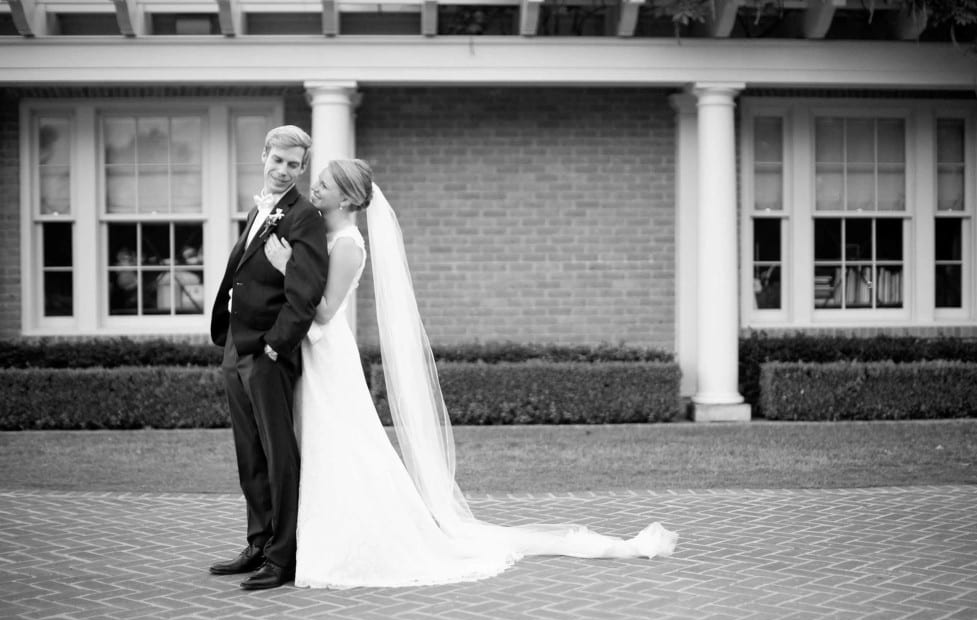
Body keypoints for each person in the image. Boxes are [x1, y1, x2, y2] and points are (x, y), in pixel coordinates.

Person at [263, 159, 677, 589]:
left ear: (346, 198)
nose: (315, 188)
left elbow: (327, 311)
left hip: (329, 354)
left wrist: (285, 266)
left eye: (325, 184)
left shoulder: (348, 244)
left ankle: (353, 541)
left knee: (342, 444)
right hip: (311, 351)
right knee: (316, 442)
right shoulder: (320, 232)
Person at [209, 125, 329, 590]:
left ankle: (284, 558)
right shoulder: (258, 210)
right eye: (277, 160)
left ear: (302, 169)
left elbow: (305, 294)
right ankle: (258, 542)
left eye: (294, 165)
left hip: (267, 352)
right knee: (249, 451)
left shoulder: (304, 217)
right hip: (236, 347)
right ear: (264, 155)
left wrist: (276, 346)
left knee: (280, 455)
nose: (283, 171)